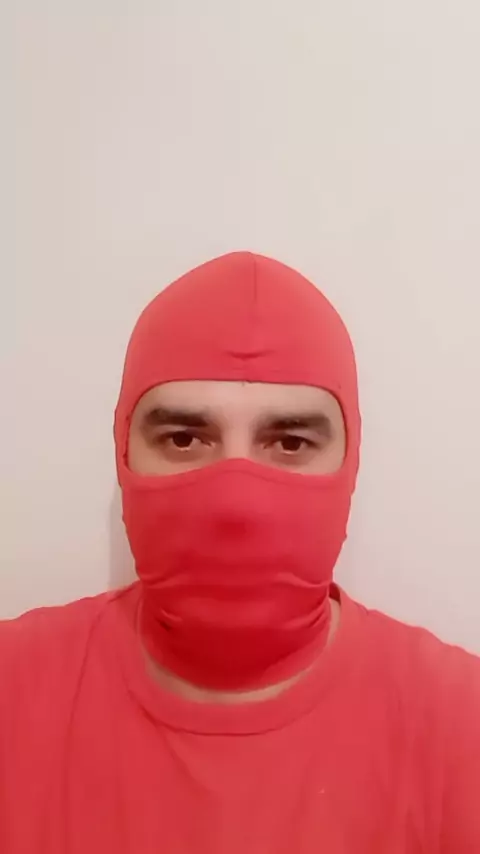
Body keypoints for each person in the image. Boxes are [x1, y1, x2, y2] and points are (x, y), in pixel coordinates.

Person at [1, 251, 479, 853]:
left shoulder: (462, 728)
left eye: (290, 442)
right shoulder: (11, 694)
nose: (236, 502)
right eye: (184, 438)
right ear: (123, 454)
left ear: (351, 462)